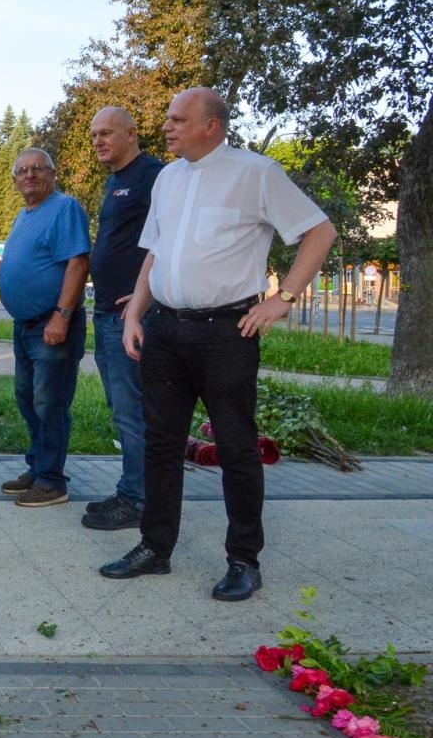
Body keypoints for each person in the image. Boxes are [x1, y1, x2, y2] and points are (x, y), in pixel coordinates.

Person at [101, 88, 336, 602]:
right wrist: (135, 312)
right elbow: (155, 253)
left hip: (227, 331)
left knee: (236, 447)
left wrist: (282, 299)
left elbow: (320, 232)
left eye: (178, 119)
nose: (167, 127)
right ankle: (154, 547)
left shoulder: (256, 172)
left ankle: (243, 560)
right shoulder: (168, 178)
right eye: (167, 118)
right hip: (165, 329)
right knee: (162, 444)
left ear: (212, 126)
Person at [0, 148, 90, 508]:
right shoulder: (24, 215)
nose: (30, 175)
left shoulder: (64, 208)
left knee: (50, 403)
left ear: (53, 173)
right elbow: (21, 268)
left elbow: (78, 263)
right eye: (22, 171)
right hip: (26, 325)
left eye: (38, 168)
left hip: (52, 322)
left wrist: (62, 316)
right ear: (15, 180)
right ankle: (38, 467)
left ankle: (51, 481)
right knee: (28, 397)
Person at [81, 108, 165, 532]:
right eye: (94, 135)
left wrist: (150, 293)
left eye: (106, 133)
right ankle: (132, 489)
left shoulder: (154, 176)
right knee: (121, 409)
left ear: (132, 134)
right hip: (107, 313)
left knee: (133, 412)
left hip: (131, 317)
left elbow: (173, 236)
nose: (98, 141)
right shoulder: (115, 181)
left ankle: (140, 500)